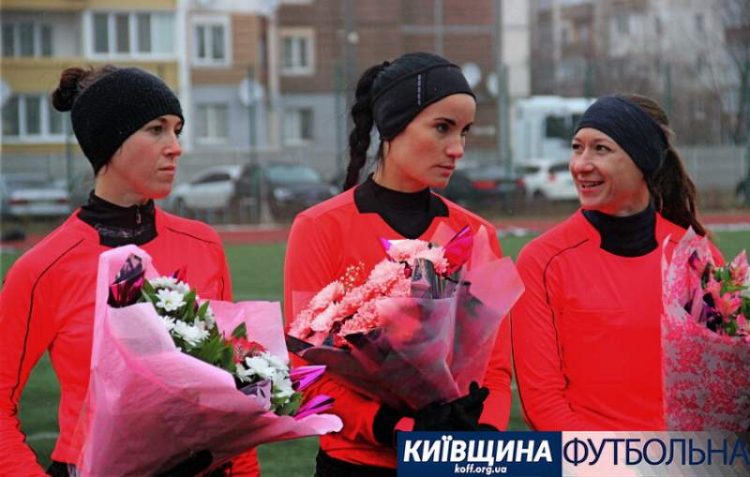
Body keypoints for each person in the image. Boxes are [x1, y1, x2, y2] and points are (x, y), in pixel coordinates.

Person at [0, 66, 259, 476]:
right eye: (156, 130)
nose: (175, 147)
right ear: (109, 141)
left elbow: (234, 386)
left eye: (177, 130)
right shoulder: (44, 267)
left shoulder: (204, 244)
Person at [283, 52, 512, 476]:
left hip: (454, 463)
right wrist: (396, 428)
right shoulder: (319, 227)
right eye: (442, 127)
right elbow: (307, 370)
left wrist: (481, 433)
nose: (457, 148)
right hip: (355, 465)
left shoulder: (477, 234)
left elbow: (495, 370)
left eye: (464, 132)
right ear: (392, 124)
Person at [510, 93, 723, 431]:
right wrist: (618, 458)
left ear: (643, 161)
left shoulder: (696, 257)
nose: (580, 164)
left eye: (601, 149)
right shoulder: (542, 261)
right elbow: (543, 405)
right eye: (577, 148)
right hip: (587, 456)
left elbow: (717, 388)